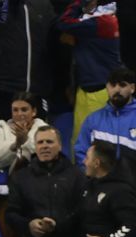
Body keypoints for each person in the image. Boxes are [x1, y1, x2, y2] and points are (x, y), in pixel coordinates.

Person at [74, 67, 136, 217]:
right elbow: (80, 154)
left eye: (122, 85)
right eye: (112, 85)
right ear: (107, 87)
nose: (116, 90)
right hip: (96, 194)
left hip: (132, 197)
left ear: (132, 88)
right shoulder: (93, 120)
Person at [0, 91, 49, 237]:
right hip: (9, 197)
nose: (19, 114)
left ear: (34, 111)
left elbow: (47, 154)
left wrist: (25, 141)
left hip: (40, 193)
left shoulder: (44, 129)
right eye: (15, 110)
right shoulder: (2, 129)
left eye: (24, 109)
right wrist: (14, 145)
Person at [6, 126, 86, 237]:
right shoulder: (20, 177)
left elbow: (83, 212)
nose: (44, 146)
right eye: (40, 142)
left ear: (60, 146)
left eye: (49, 142)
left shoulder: (77, 176)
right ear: (35, 147)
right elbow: (11, 214)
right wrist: (29, 225)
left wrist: (58, 226)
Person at [55, 0, 122, 149]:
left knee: (98, 145)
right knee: (78, 142)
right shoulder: (93, 22)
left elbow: (63, 22)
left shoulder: (103, 21)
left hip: (102, 92)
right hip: (85, 89)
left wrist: (79, 2)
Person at [0, 0, 55, 124]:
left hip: (36, 90)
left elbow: (52, 44)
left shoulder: (43, 5)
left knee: (36, 138)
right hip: (1, 89)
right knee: (1, 138)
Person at [78, 140, 136, 237]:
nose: (84, 162)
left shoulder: (122, 191)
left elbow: (131, 226)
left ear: (97, 163)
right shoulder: (89, 186)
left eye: (87, 158)